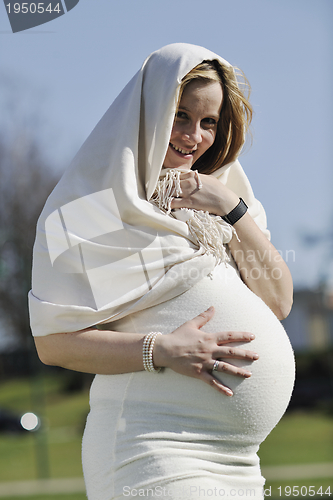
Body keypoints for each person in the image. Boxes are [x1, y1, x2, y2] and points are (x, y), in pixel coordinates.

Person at [29, 43, 295, 500]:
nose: (194, 136)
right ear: (148, 113)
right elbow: (52, 344)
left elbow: (278, 301)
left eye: (209, 122)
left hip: (240, 462)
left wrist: (231, 209)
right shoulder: (87, 212)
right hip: (154, 448)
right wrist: (161, 350)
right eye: (181, 115)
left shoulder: (227, 200)